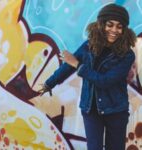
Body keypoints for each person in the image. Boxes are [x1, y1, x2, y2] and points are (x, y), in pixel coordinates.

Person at [39, 3, 136, 150]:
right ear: (101, 24)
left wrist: (78, 65)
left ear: (124, 30)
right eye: (110, 25)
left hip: (116, 110)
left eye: (119, 26)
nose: (114, 30)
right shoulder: (88, 46)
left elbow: (105, 81)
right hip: (91, 109)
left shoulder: (127, 55)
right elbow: (68, 65)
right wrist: (49, 83)